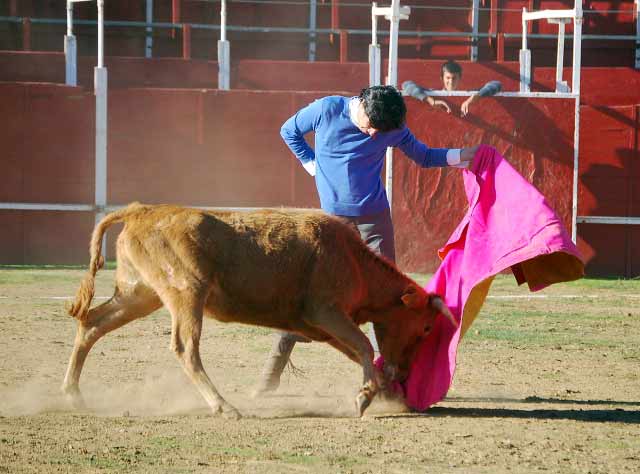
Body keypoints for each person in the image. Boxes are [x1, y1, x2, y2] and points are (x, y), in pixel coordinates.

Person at [252, 85, 478, 396]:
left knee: (390, 299)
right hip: (333, 225)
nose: (374, 135)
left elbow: (424, 156)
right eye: (370, 126)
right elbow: (289, 130)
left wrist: (463, 157)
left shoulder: (390, 125)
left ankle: (389, 379)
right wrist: (311, 165)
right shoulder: (327, 109)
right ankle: (274, 367)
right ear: (360, 105)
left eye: (380, 131)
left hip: (375, 220)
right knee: (319, 299)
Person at [402, 59, 502, 117]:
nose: (451, 81)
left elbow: (497, 84)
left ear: (460, 78)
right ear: (442, 78)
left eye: (454, 78)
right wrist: (430, 100)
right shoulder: (432, 93)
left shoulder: (469, 94)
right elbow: (406, 85)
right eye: (448, 78)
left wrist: (474, 98)